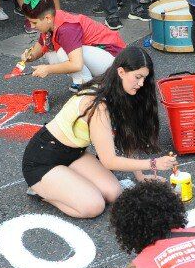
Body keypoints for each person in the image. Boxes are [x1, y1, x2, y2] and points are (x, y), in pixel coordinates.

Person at [20, 45, 173, 219]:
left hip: (74, 154)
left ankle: (65, 180)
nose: (141, 84)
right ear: (121, 72)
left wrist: (141, 176)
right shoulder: (98, 104)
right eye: (138, 77)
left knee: (113, 193)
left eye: (144, 78)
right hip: (43, 161)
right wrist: (153, 164)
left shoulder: (119, 91)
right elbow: (109, 161)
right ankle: (42, 191)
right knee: (94, 206)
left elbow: (127, 137)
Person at [19, 0, 125, 87]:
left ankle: (88, 86)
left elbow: (76, 64)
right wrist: (30, 56)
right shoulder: (52, 19)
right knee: (50, 53)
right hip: (102, 54)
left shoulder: (66, 29)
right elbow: (41, 46)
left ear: (47, 18)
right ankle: (87, 81)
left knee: (61, 53)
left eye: (34, 22)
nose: (32, 26)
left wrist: (47, 69)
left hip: (115, 60)